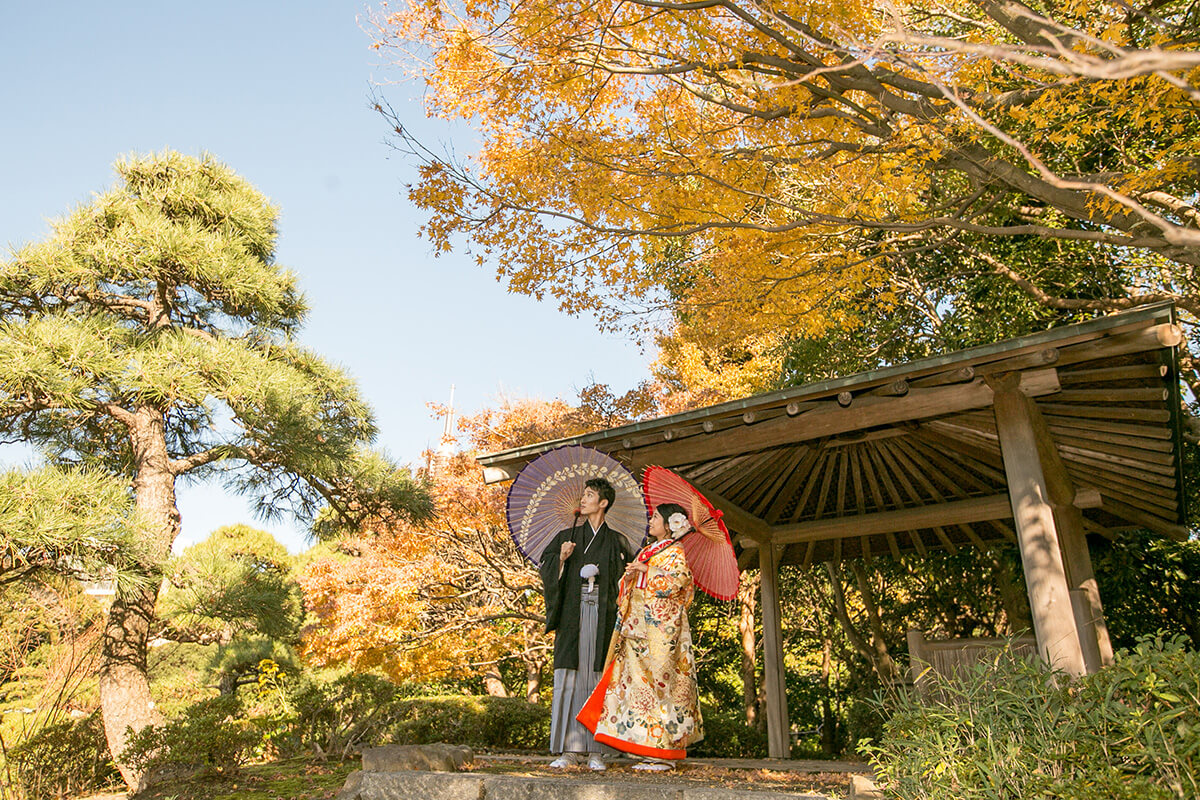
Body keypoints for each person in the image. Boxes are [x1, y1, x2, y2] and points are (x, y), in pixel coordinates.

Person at [577, 502, 703, 770]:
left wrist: (647, 571)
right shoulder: (650, 550)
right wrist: (631, 576)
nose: (652, 520)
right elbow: (629, 585)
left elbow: (680, 582)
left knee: (660, 687)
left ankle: (664, 753)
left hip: (660, 631)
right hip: (636, 628)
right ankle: (646, 748)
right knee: (636, 689)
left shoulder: (675, 552)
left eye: (657, 516)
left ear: (669, 524)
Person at [538, 477, 633, 771]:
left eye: (590, 495)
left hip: (601, 617)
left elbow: (628, 581)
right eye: (585, 495)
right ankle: (568, 749)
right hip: (572, 616)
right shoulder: (567, 536)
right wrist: (563, 560)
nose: (584, 499)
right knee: (570, 677)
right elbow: (547, 565)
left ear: (603, 503)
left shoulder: (617, 541)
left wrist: (625, 576)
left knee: (596, 679)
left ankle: (597, 750)